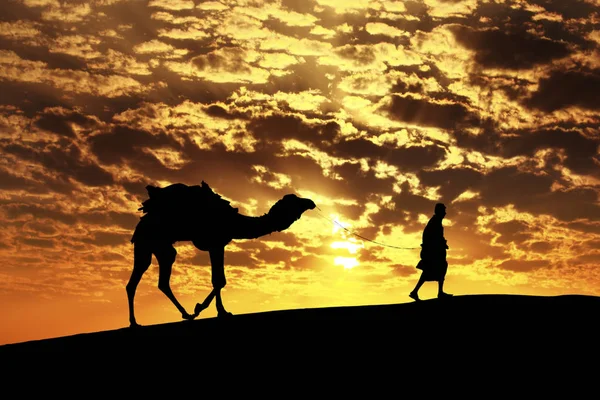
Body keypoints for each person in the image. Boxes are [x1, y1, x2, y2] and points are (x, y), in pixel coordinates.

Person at [409, 203, 453, 301]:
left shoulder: (436, 222)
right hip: (432, 252)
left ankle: (417, 292)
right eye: (443, 211)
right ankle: (438, 292)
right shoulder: (435, 222)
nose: (445, 213)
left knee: (435, 270)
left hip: (434, 252)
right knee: (435, 269)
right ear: (439, 211)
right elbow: (432, 237)